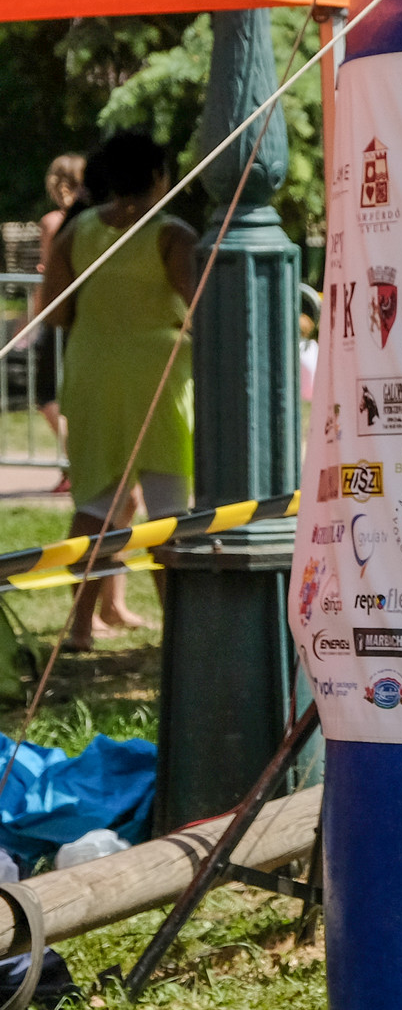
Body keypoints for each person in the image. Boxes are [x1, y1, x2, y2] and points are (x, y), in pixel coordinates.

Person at [37, 132, 195, 646]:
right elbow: (201, 303)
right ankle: (179, 632)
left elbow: (54, 311)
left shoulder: (75, 230)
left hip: (91, 372)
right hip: (158, 376)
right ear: (158, 177)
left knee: (95, 503)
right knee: (168, 510)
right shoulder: (171, 234)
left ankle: (80, 626)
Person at [31, 154, 85, 494]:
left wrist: (34, 316)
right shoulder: (93, 222)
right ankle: (76, 463)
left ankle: (75, 463)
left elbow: (49, 277)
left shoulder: (52, 223)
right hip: (86, 316)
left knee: (46, 394)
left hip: (58, 317)